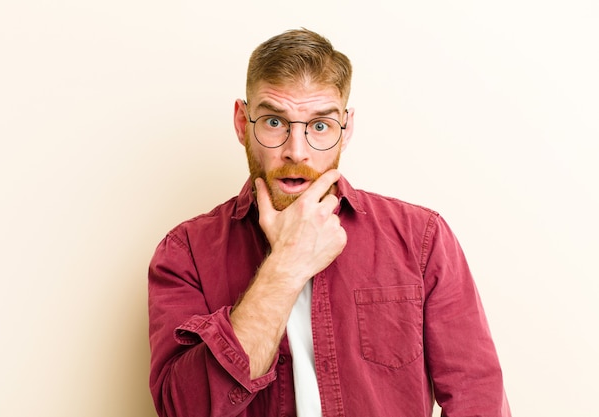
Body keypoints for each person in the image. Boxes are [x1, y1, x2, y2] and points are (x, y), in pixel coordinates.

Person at [148, 28, 511, 417]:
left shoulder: (421, 238)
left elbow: (478, 398)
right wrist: (284, 269)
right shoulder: (185, 252)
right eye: (274, 122)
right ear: (242, 122)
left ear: (346, 128)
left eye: (319, 126)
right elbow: (183, 410)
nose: (296, 151)